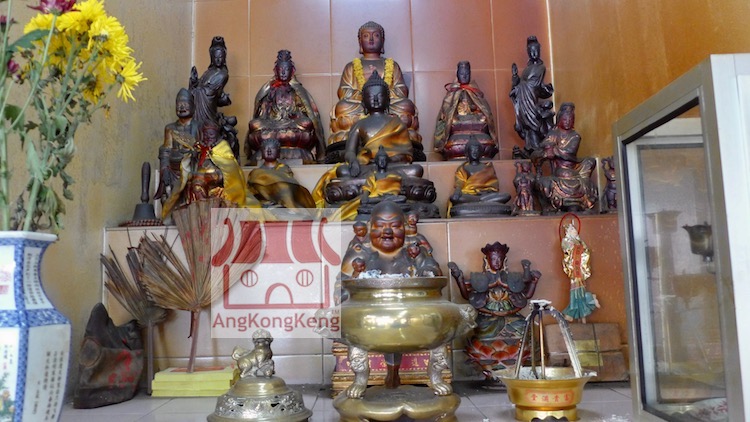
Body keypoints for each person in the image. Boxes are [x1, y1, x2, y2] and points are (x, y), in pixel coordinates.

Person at [328, 21, 420, 153]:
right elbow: (343, 91)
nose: (371, 39)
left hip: (387, 106)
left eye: (376, 35)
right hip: (360, 106)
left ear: (382, 41)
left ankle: (389, 128)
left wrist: (383, 96)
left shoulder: (393, 65)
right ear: (360, 41)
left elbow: (402, 90)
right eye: (366, 36)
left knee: (406, 105)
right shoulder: (351, 66)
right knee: (343, 107)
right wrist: (365, 96)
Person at [448, 243, 541, 374]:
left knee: (523, 326)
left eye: (500, 259)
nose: (497, 262)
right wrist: (459, 278)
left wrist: (534, 281)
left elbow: (526, 295)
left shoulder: (512, 278)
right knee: (480, 327)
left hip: (510, 317)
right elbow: (467, 296)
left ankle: (514, 365)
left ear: (504, 260)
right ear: (487, 260)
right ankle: (492, 367)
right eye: (493, 259)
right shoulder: (480, 278)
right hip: (488, 318)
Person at [245, 50, 325, 164]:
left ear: (292, 71)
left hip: (291, 124)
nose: (283, 73)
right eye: (280, 69)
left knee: (306, 123)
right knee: (254, 124)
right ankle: (272, 143)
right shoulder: (270, 91)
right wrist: (268, 115)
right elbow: (263, 114)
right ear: (276, 71)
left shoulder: (297, 91)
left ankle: (280, 143)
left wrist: (296, 115)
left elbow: (307, 113)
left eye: (286, 69)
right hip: (273, 124)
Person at [161, 122, 252, 219]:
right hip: (200, 180)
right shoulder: (199, 149)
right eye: (205, 135)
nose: (207, 137)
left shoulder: (222, 148)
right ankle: (201, 214)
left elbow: (230, 167)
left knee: (217, 195)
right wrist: (193, 155)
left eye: (211, 134)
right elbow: (190, 165)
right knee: (195, 187)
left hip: (217, 181)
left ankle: (217, 216)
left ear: (216, 135)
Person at [531, 102, 598, 212]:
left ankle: (579, 202)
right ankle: (552, 205)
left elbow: (569, 152)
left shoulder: (575, 136)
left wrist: (554, 151)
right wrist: (545, 151)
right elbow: (542, 147)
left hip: (573, 169)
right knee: (544, 183)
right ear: (559, 119)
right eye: (565, 119)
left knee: (590, 162)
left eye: (571, 120)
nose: (568, 122)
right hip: (558, 172)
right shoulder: (554, 133)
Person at [434, 61, 498, 160]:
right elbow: (446, 112)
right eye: (461, 73)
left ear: (470, 74)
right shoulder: (452, 93)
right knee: (453, 121)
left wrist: (475, 109)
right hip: (459, 120)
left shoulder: (475, 91)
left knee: (483, 120)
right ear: (457, 74)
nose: (464, 76)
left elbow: (484, 110)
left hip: (474, 119)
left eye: (467, 73)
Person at [190, 36, 239, 157]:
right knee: (194, 128)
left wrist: (197, 89)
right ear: (211, 57)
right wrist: (194, 81)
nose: (218, 60)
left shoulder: (223, 74)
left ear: (224, 58)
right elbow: (201, 87)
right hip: (201, 104)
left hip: (208, 106)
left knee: (205, 128)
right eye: (215, 57)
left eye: (220, 57)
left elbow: (210, 92)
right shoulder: (208, 72)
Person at [509, 35, 554, 158]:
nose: (534, 53)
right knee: (526, 126)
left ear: (539, 50)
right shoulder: (527, 69)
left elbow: (534, 84)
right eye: (531, 51)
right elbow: (520, 83)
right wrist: (515, 76)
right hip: (524, 99)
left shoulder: (540, 68)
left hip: (531, 98)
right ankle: (530, 148)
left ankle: (535, 148)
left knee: (533, 123)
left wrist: (520, 87)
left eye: (536, 50)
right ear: (528, 52)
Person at [155, 88, 200, 201]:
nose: (182, 107)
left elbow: (203, 148)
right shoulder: (170, 128)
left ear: (193, 107)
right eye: (179, 104)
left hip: (192, 168)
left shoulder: (199, 127)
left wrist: (195, 153)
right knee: (167, 197)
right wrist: (165, 168)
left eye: (185, 104)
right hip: (174, 170)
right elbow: (165, 150)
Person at [448, 138, 511, 216]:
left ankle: (479, 201)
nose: (475, 152)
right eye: (472, 150)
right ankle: (481, 201)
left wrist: (488, 191)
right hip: (469, 195)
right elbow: (460, 182)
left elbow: (494, 185)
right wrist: (457, 191)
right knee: (454, 198)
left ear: (481, 152)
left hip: (485, 195)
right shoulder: (464, 167)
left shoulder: (487, 167)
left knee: (506, 196)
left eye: (477, 150)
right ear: (467, 153)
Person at [246, 138, 316, 208]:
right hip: (265, 201)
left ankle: (290, 208)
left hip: (285, 202)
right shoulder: (256, 172)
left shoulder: (284, 168)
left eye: (272, 148)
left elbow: (291, 185)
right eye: (265, 149)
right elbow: (250, 191)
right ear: (261, 152)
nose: (269, 151)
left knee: (285, 187)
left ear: (278, 152)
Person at [561, 222, 599, 322]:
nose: (574, 231)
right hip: (573, 269)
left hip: (580, 269)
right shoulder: (566, 241)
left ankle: (577, 311)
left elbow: (586, 252)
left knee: (579, 291)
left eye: (574, 229)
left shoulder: (580, 242)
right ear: (568, 232)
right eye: (571, 230)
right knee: (576, 292)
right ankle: (589, 302)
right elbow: (566, 252)